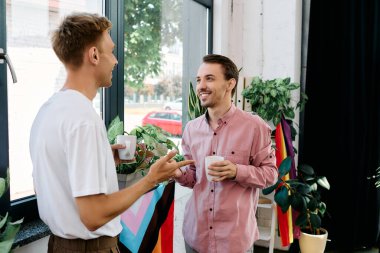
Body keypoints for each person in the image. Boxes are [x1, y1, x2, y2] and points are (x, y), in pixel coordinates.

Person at [29, 12, 193, 253]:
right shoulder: (83, 118)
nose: (116, 61)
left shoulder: (48, 110)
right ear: (94, 55)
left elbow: (57, 176)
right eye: (111, 50)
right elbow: (93, 215)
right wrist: (151, 179)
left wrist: (103, 158)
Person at [173, 54, 278, 253]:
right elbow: (193, 177)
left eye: (209, 78)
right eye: (198, 80)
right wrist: (178, 174)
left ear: (230, 84)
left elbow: (270, 175)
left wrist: (236, 171)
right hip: (196, 236)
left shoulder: (254, 127)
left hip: (234, 241)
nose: (201, 86)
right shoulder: (191, 129)